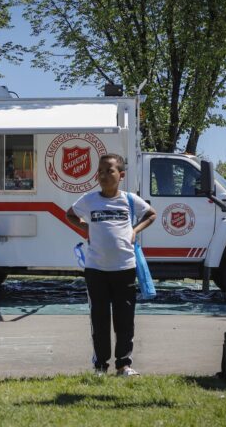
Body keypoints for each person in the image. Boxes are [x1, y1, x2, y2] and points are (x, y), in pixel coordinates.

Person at [66, 153, 156, 377]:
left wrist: (135, 230)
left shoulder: (129, 200)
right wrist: (86, 228)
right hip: (96, 269)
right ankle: (100, 365)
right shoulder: (89, 200)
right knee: (100, 319)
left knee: (124, 318)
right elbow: (70, 214)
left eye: (109, 171)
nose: (103, 175)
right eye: (100, 171)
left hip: (124, 268)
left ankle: (123, 365)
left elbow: (151, 214)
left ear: (121, 175)